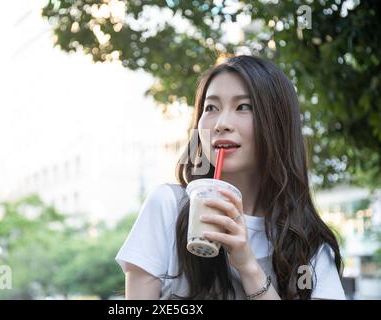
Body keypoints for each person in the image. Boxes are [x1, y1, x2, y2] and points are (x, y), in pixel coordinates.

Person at [115, 55, 346, 300]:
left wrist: (248, 267)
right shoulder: (169, 205)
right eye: (211, 108)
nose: (221, 124)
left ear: (277, 124)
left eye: (243, 107)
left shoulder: (308, 244)